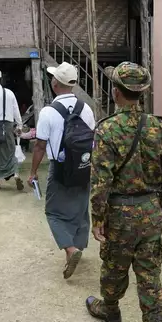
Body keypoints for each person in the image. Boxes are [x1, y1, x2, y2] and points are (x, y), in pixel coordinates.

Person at [84, 62, 162, 322]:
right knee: (149, 274)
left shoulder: (107, 129)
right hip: (150, 211)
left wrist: (98, 217)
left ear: (116, 92)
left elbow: (101, 179)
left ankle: (110, 309)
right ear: (141, 93)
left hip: (120, 213)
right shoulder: (158, 127)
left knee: (113, 264)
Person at [27, 62, 96, 279]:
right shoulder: (86, 108)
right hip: (84, 166)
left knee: (53, 212)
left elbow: (39, 146)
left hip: (60, 168)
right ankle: (77, 248)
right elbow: (93, 141)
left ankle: (70, 249)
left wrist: (33, 172)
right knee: (80, 210)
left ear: (55, 84)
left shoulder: (48, 112)